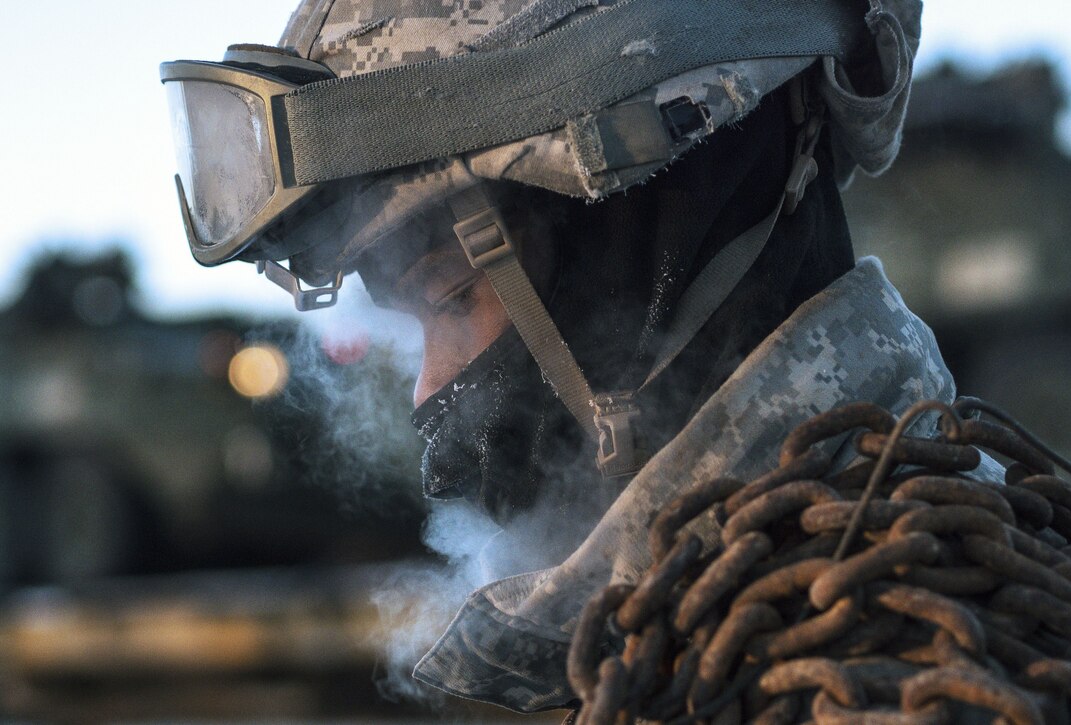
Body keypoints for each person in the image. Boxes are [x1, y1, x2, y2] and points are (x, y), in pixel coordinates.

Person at [161, 0, 986, 713]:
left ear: (652, 216)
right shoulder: (719, 648)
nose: (433, 399)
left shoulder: (918, 674)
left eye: (450, 296)